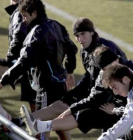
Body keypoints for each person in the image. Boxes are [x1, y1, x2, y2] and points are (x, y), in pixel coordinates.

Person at [0, 0, 78, 139]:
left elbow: (23, 62)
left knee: (40, 129)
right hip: (60, 82)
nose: (24, 20)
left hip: (46, 86)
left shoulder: (36, 33)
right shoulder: (56, 25)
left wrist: (4, 80)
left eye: (25, 16)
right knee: (59, 124)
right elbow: (72, 49)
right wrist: (70, 71)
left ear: (34, 13)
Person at [97, 64, 133, 140]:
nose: (115, 93)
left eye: (115, 87)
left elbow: (128, 119)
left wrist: (106, 137)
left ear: (126, 79)